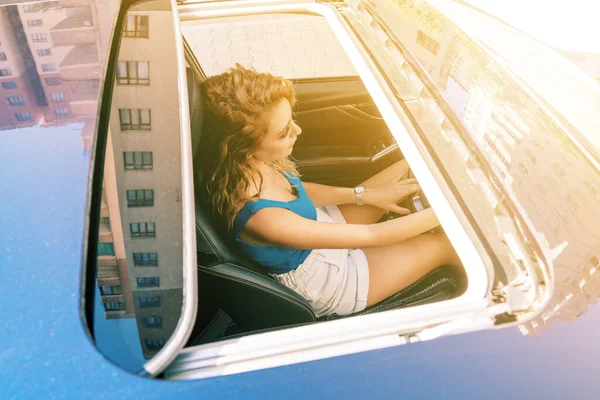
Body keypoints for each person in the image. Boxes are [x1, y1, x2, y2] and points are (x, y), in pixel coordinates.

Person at [198, 64, 463, 318]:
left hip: (317, 223)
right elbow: (372, 235)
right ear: (244, 148)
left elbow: (300, 191)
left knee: (407, 167)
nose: (298, 131)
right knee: (447, 245)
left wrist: (363, 195)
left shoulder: (248, 164)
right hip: (326, 278)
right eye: (284, 133)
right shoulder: (262, 217)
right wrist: (453, 211)